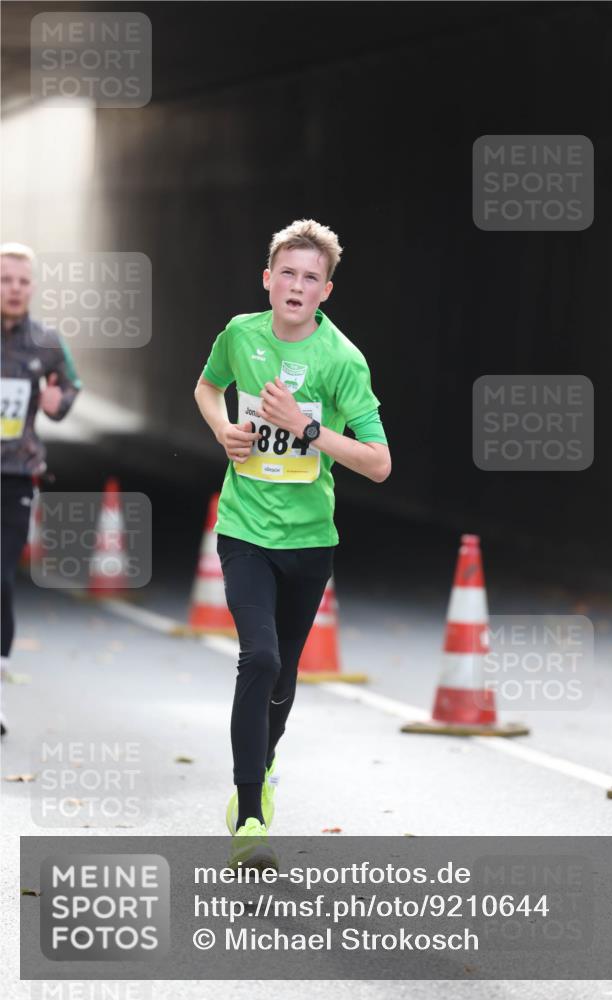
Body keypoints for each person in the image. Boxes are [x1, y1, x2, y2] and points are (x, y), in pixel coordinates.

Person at [194, 219, 391, 856]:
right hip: (245, 528)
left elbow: (378, 462)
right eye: (287, 273)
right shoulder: (240, 333)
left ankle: (265, 761)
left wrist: (305, 429)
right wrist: (223, 428)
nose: (297, 286)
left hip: (310, 542)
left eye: (311, 277)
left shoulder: (342, 360)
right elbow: (206, 386)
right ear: (267, 279)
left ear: (326, 290)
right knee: (261, 658)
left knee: (284, 677)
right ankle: (249, 813)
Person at [1, 244, 82, 736]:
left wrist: (58, 403)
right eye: (6, 280)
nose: (14, 289)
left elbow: (71, 387)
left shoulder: (46, 342)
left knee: (1, 576)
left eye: (23, 282)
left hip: (16, 476)